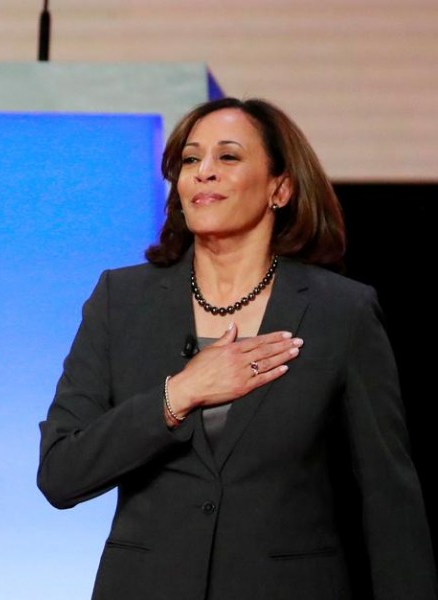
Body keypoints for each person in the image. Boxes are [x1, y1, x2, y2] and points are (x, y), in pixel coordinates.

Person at [37, 97, 437, 599]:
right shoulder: (121, 301)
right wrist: (177, 395)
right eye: (190, 159)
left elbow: (389, 502)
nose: (204, 172)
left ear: (280, 188)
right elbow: (61, 472)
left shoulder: (342, 312)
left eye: (227, 157)